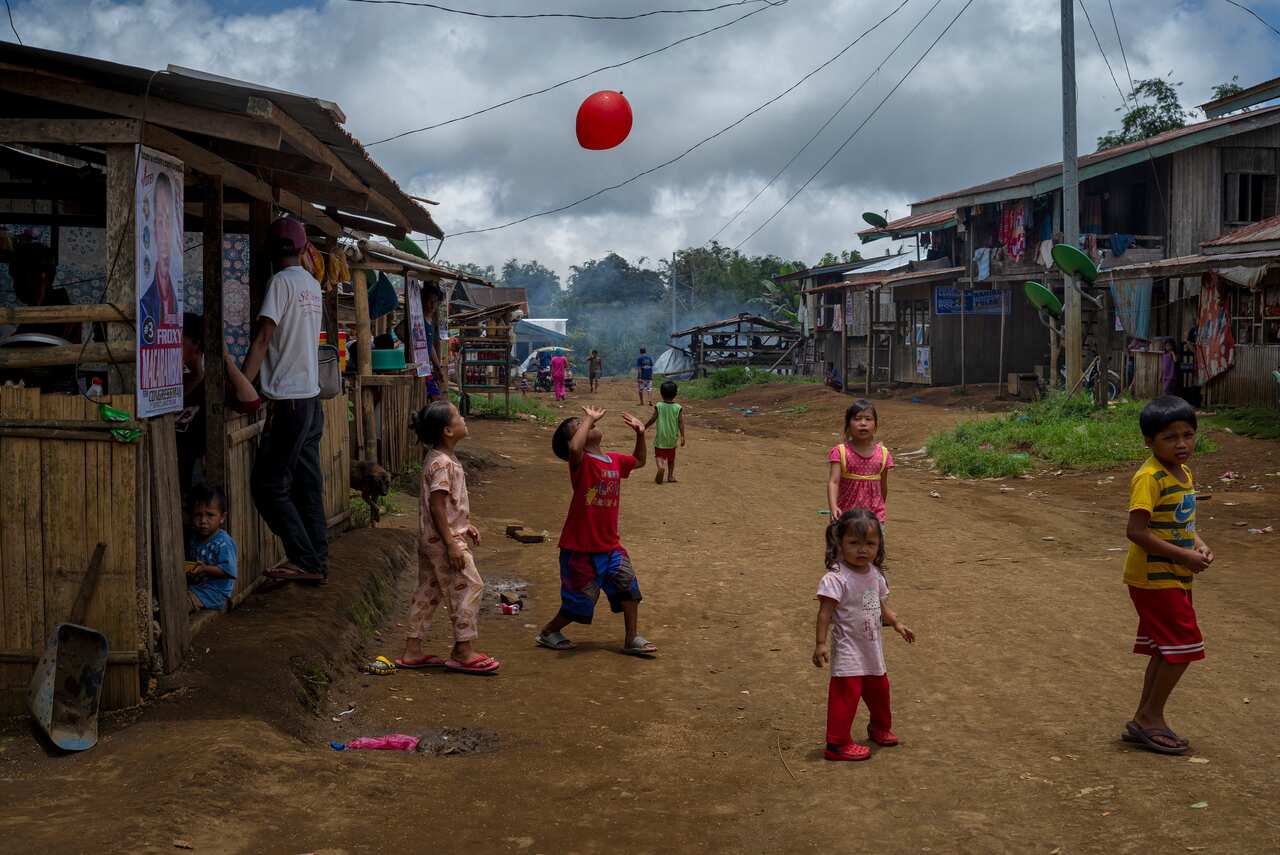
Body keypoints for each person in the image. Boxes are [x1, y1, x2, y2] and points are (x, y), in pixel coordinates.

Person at [1121, 395, 1213, 755]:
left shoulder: (1183, 473)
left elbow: (1181, 523)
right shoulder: (1149, 477)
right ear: (1149, 441)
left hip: (1174, 575)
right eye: (1170, 437)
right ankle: (1150, 718)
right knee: (1185, 646)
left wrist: (1199, 546)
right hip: (1152, 577)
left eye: (1188, 435)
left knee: (1166, 650)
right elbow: (1137, 531)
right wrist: (1184, 557)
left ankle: (1145, 716)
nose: (1181, 444)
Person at [242, 217, 327, 583]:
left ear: (270, 251)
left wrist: (242, 385)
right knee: (307, 483)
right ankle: (317, 561)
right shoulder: (312, 284)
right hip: (310, 399)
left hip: (288, 401)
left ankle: (303, 558)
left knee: (269, 486)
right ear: (304, 248)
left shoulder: (279, 283)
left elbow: (263, 339)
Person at [535, 405, 657, 656]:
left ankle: (631, 637)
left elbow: (640, 461)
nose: (589, 424)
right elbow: (574, 449)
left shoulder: (612, 459)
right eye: (580, 426)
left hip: (610, 546)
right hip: (580, 549)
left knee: (629, 588)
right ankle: (547, 632)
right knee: (578, 604)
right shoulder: (580, 462)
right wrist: (589, 419)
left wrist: (640, 433)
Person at [396, 401, 499, 675]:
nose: (463, 418)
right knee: (469, 586)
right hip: (443, 542)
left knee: (428, 591)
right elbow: (437, 505)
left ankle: (412, 650)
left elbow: (446, 505)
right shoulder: (443, 464)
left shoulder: (438, 458)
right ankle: (464, 650)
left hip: (432, 538)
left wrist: (465, 525)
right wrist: (452, 541)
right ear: (447, 431)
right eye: (458, 416)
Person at [813, 509, 914, 762]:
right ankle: (836, 744)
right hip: (848, 648)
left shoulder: (873, 575)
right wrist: (821, 643)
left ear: (878, 546)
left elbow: (876, 607)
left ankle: (879, 727)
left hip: (871, 647)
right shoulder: (836, 579)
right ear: (840, 543)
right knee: (846, 695)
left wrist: (897, 624)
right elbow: (825, 613)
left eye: (870, 544)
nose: (862, 550)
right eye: (854, 543)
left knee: (880, 691)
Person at [175, 313, 262, 495]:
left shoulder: (211, 386)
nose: (172, 348)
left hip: (190, 483)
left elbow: (251, 402)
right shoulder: (166, 382)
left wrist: (225, 358)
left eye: (179, 342)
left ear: (197, 345)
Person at [827, 400, 893, 523]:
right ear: (848, 425)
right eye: (857, 419)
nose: (863, 423)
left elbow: (883, 486)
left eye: (868, 419)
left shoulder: (884, 455)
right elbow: (834, 482)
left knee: (872, 543)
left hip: (874, 518)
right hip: (845, 516)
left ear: (875, 425)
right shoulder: (840, 452)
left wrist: (880, 508)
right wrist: (833, 507)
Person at [138, 172, 181, 335]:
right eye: (159, 221)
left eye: (168, 222)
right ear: (154, 228)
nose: (164, 233)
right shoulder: (145, 303)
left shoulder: (176, 302)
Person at [185, 484, 238, 612]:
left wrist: (205, 568)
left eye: (210, 515)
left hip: (214, 593)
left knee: (181, 603)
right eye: (198, 515)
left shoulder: (223, 542)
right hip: (196, 588)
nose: (203, 520)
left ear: (222, 517)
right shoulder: (194, 537)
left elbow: (229, 571)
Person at [645, 380, 685, 484]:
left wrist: (645, 426)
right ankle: (670, 476)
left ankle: (660, 468)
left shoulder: (659, 405)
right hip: (672, 438)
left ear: (661, 394)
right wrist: (683, 436)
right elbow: (681, 422)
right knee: (671, 458)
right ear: (675, 394)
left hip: (661, 437)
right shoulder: (678, 407)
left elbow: (653, 419)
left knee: (659, 456)